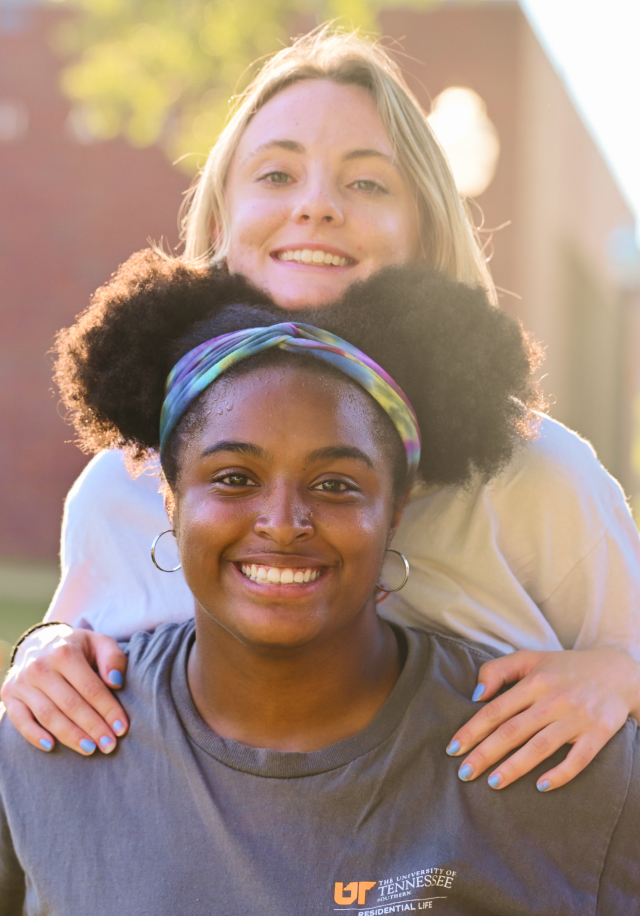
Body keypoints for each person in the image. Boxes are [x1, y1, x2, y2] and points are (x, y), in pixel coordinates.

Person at [4, 28, 640, 796]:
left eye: (366, 184)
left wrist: (620, 675)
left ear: (425, 230)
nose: (316, 207)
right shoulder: (123, 485)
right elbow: (69, 655)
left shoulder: (540, 474)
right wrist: (41, 652)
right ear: (220, 226)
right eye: (276, 174)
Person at [1, 253, 638, 916]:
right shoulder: (44, 753)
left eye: (336, 485)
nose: (282, 524)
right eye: (234, 479)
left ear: (394, 512)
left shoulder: (558, 761)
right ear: (171, 501)